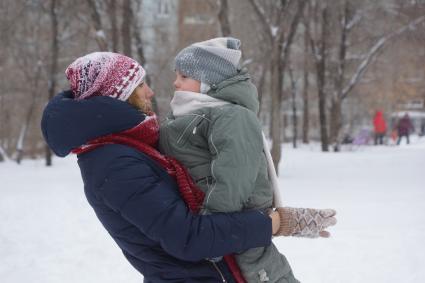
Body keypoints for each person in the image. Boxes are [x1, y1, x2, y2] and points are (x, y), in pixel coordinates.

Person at [41, 52, 336, 283]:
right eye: (140, 85)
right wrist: (276, 223)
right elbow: (189, 238)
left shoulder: (129, 148)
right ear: (118, 96)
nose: (151, 92)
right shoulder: (114, 165)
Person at [159, 38, 336, 283]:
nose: (175, 82)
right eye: (177, 75)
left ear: (209, 81)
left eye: (185, 76)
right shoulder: (190, 113)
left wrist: (212, 232)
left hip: (232, 227)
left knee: (259, 272)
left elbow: (233, 178)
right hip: (223, 231)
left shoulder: (232, 116)